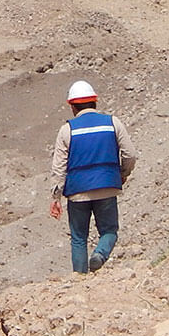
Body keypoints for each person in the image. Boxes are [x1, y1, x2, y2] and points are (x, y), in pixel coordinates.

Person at [49, 80, 136, 274]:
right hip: (107, 187)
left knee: (79, 237)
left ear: (72, 106)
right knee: (109, 231)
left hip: (77, 192)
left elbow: (58, 168)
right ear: (94, 102)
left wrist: (56, 198)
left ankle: (79, 278)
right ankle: (99, 255)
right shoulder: (113, 123)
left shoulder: (67, 130)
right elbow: (130, 154)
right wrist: (122, 174)